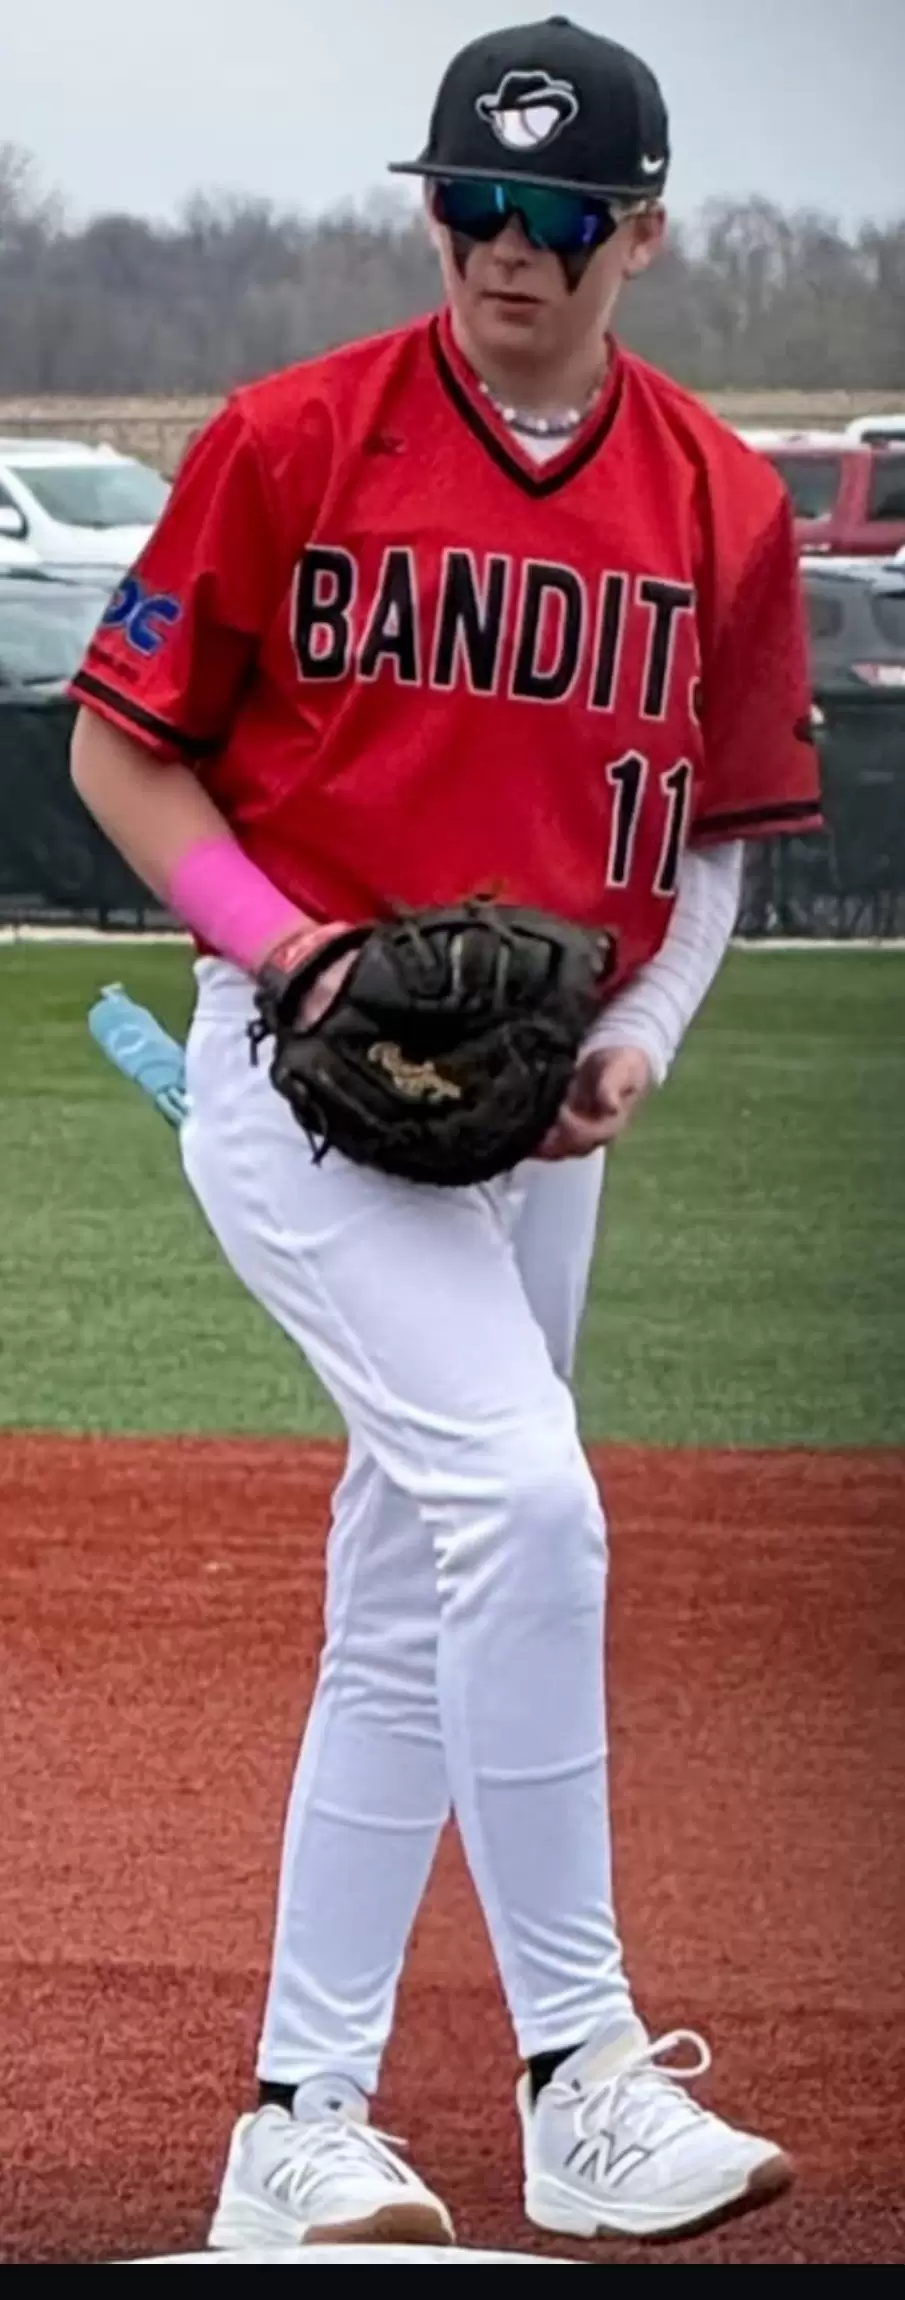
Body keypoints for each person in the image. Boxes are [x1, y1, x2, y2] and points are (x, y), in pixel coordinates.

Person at [68, 14, 823, 2253]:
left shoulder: (721, 500)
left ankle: (295, 2124)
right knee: (529, 1502)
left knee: (414, 1594)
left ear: (638, 235)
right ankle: (579, 2067)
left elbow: (715, 842)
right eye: (470, 201)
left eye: (555, 214)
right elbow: (123, 750)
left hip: (532, 1123)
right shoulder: (291, 438)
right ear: (432, 210)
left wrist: (641, 1039)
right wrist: (286, 950)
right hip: (295, 1079)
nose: (505, 245)